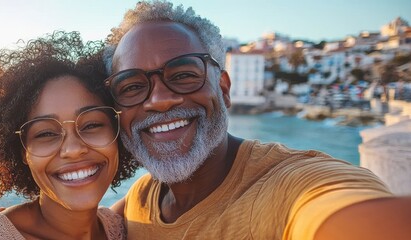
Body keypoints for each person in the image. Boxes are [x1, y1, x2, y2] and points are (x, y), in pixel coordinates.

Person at [102, 1, 410, 239]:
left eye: (183, 75)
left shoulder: (290, 187)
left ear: (223, 89)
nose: (159, 99)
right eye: (132, 86)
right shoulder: (142, 198)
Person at [0, 31, 138, 240]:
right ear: (21, 151)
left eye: (92, 125)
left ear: (117, 133)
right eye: (45, 133)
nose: (73, 149)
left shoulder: (120, 225)